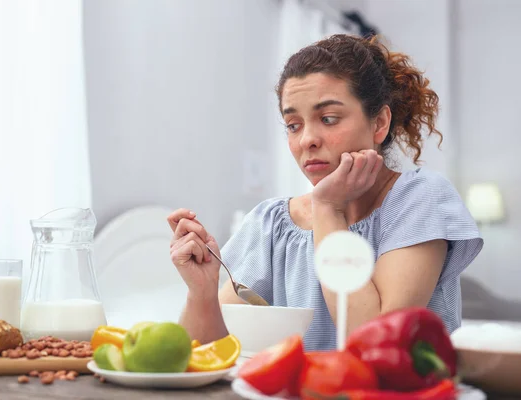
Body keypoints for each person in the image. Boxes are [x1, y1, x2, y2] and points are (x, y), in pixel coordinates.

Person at [167, 34, 483, 351]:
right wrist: (203, 292)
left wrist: (329, 209)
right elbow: (208, 354)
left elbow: (376, 345)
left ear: (380, 123)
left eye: (328, 119)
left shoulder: (420, 199)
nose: (307, 140)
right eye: (293, 125)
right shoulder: (271, 223)